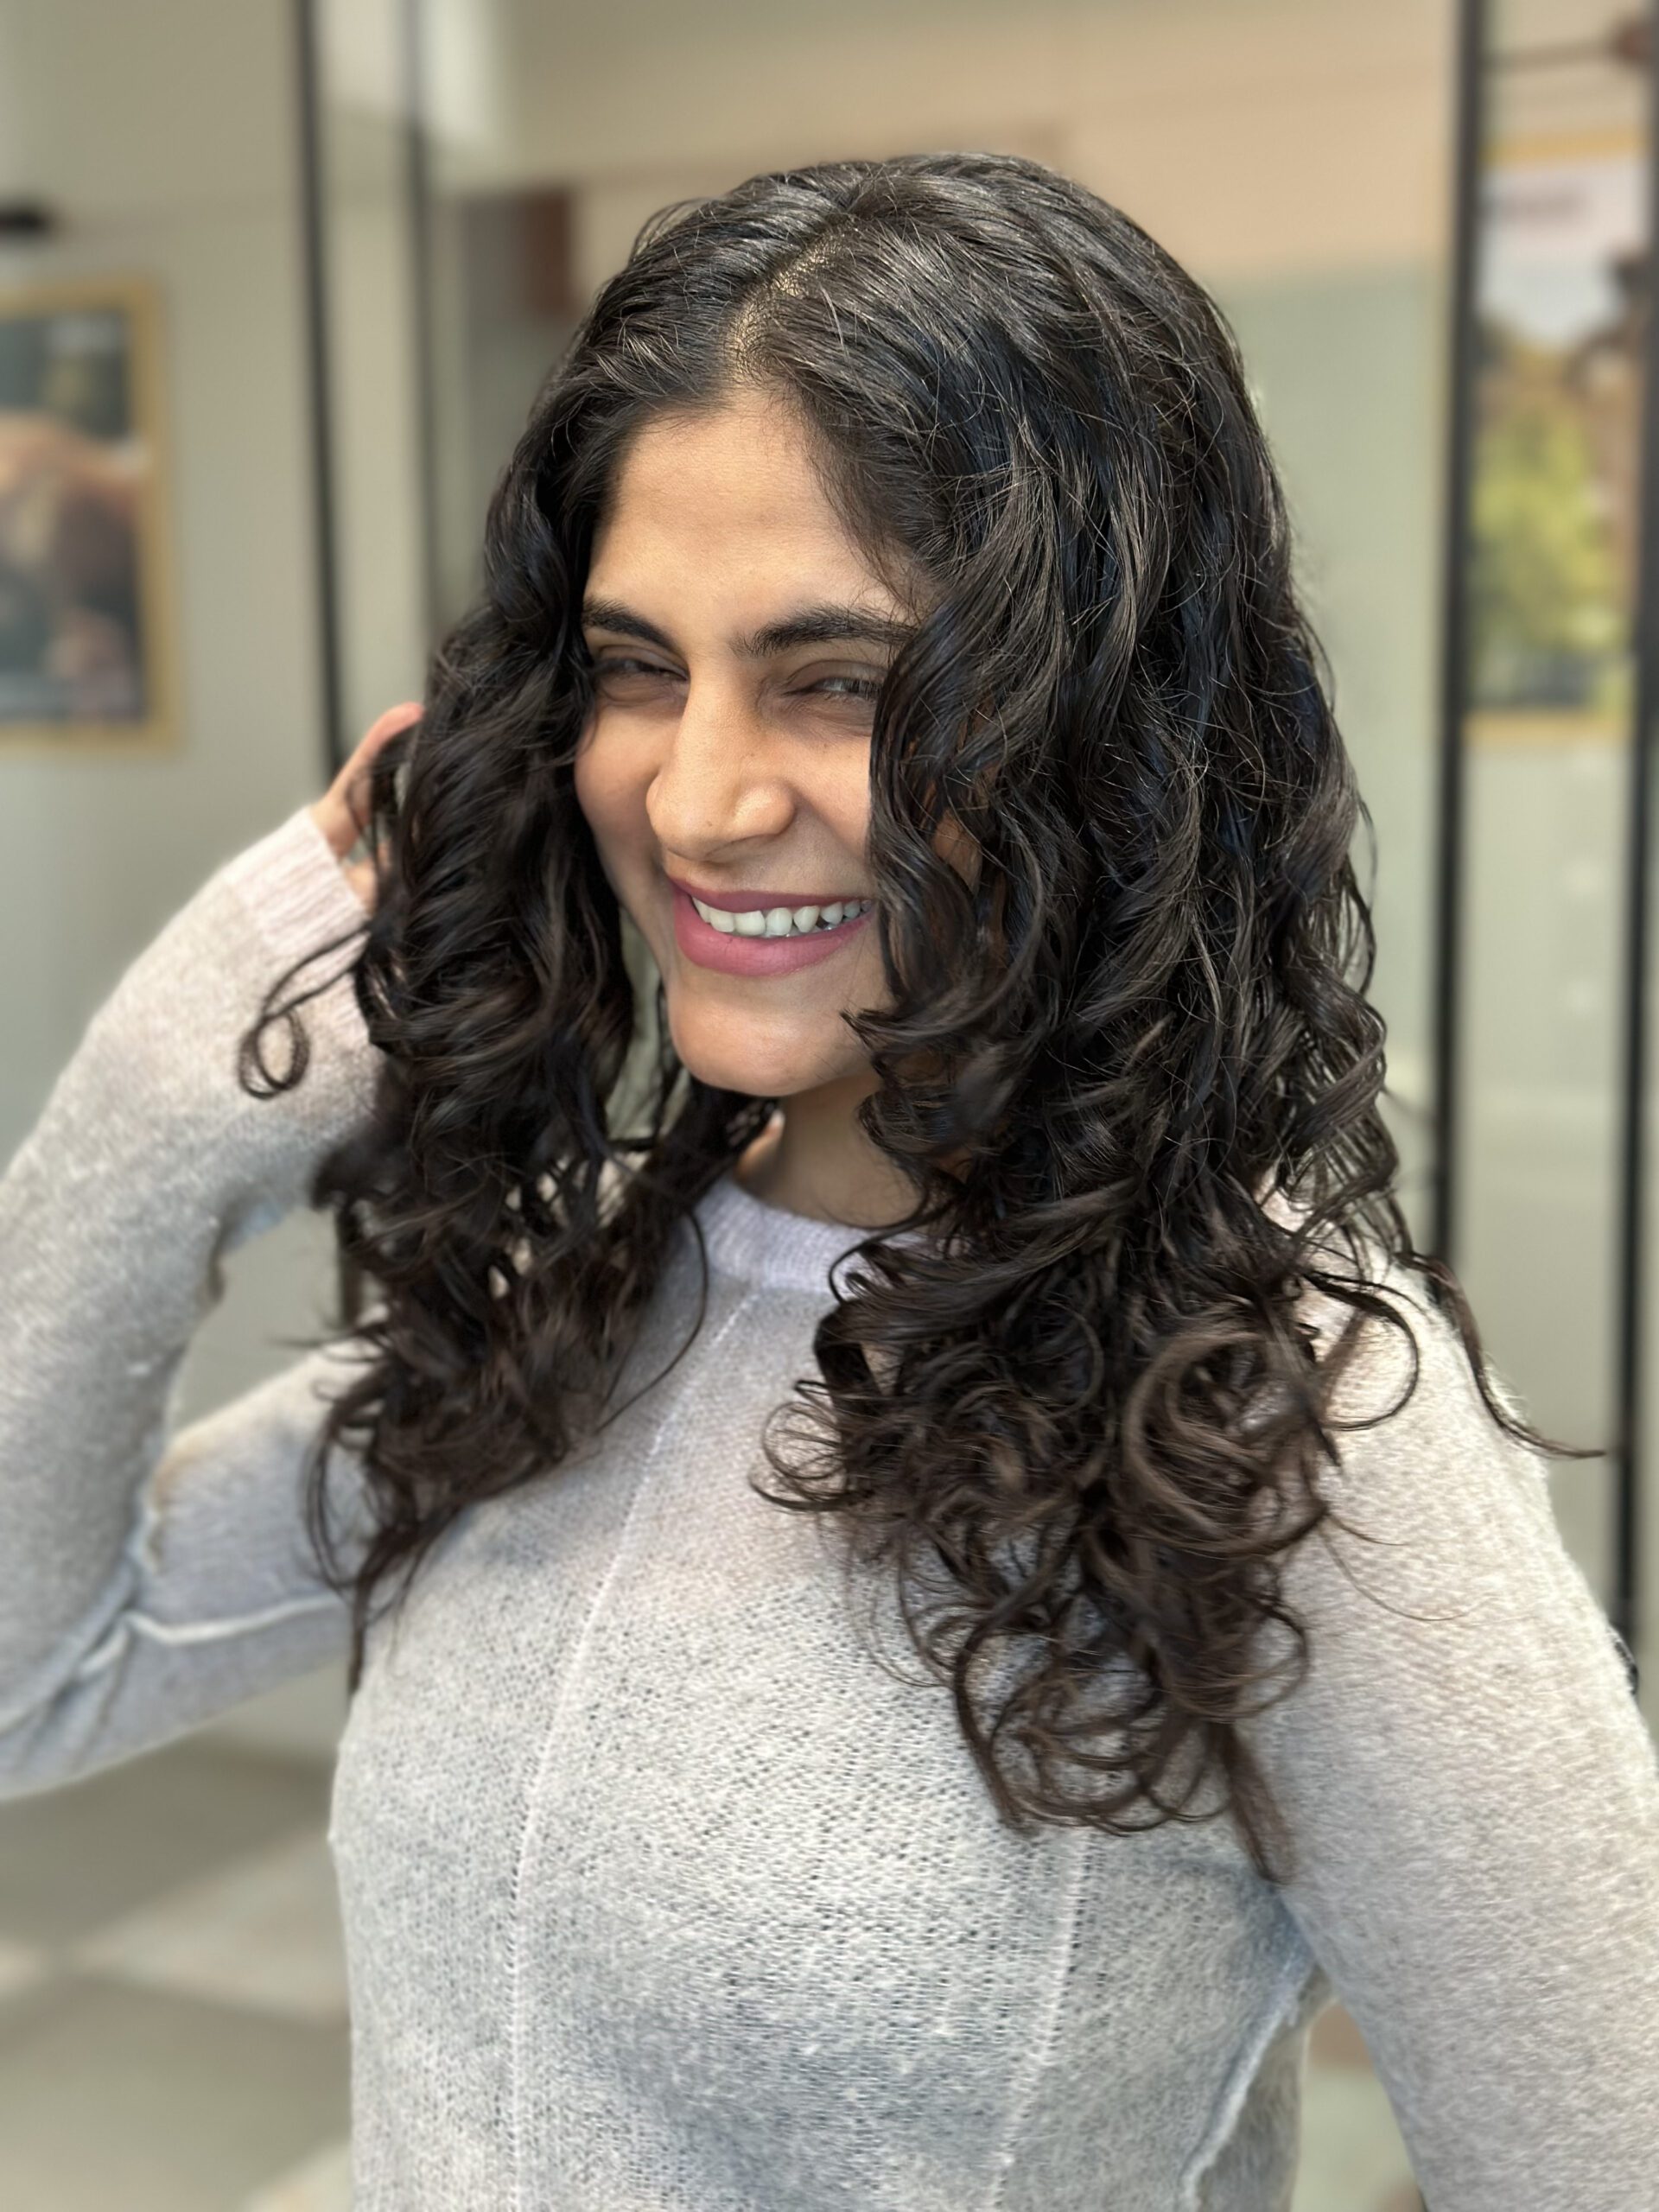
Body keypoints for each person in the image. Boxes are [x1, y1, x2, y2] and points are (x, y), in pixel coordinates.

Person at [2, 150, 1655, 2210]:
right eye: (636, 665)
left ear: (1103, 732)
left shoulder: (1291, 1418)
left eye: (842, 682)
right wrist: (184, 1083)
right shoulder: (587, 1297)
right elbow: (28, 1671)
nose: (699, 795)